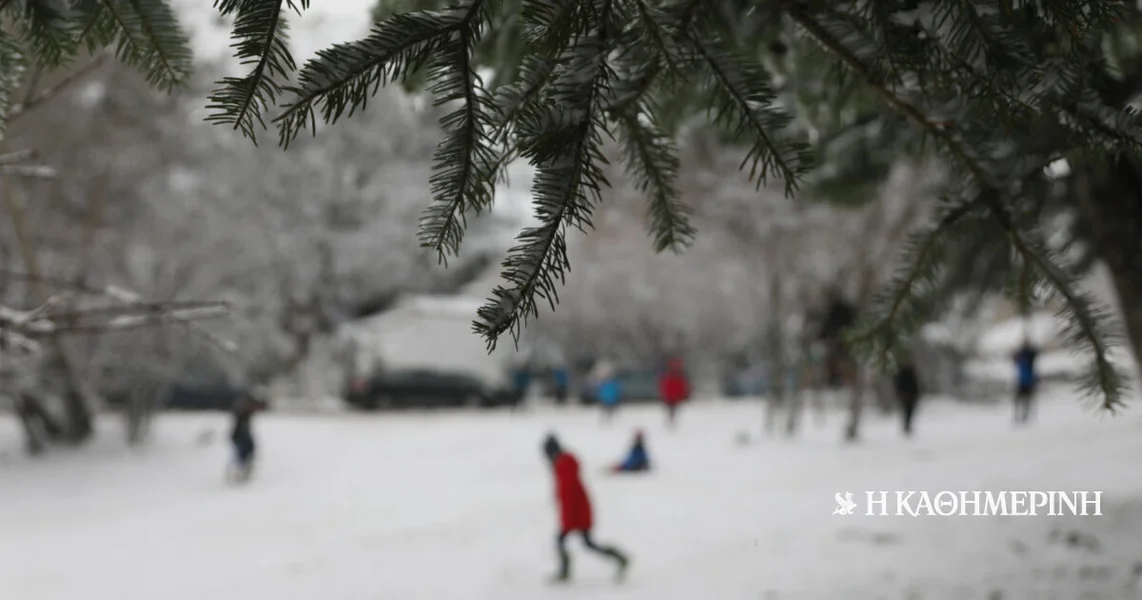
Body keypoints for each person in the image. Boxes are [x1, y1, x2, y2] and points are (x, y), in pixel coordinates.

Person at [542, 434, 630, 583]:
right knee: (587, 543)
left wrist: (567, 519)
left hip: (577, 513)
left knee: (570, 541)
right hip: (578, 511)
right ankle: (620, 558)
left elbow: (568, 494)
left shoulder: (564, 466)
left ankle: (565, 572)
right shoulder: (564, 464)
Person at [228, 392, 264, 483]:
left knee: (248, 451)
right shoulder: (242, 410)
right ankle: (238, 471)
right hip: (239, 435)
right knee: (241, 453)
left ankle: (243, 469)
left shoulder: (246, 411)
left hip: (243, 435)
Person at [1012, 340, 1039, 424]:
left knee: (1026, 400)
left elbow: (1034, 353)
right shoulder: (1021, 357)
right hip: (1021, 381)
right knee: (1018, 399)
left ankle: (1025, 415)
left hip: (1029, 381)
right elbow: (1014, 358)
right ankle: (1018, 415)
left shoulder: (1029, 356)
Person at [658, 357, 690, 428]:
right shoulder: (674, 376)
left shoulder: (675, 376)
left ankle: (671, 420)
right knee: (672, 409)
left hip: (673, 396)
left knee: (672, 409)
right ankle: (671, 421)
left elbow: (681, 386)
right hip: (671, 396)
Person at [893, 358, 921, 437]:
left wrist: (915, 395)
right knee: (906, 412)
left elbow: (915, 385)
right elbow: (899, 385)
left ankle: (908, 426)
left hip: (912, 397)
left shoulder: (912, 373)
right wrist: (901, 394)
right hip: (905, 397)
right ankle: (906, 426)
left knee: (910, 412)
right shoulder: (902, 374)